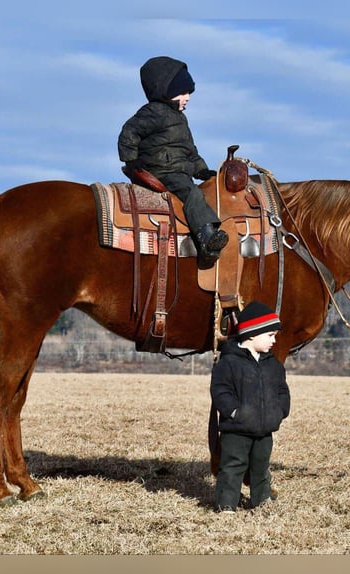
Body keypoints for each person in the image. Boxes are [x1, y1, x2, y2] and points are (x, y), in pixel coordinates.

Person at [118, 56, 229, 270]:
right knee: (192, 194)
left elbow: (189, 150)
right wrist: (131, 160)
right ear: (165, 91)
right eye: (183, 92)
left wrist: (202, 169)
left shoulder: (180, 118)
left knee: (201, 189)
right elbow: (129, 132)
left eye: (189, 93)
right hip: (162, 170)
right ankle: (207, 237)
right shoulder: (153, 112)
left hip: (178, 170)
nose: (187, 97)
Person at [210, 301, 290, 513]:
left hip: (265, 430)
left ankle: (262, 502)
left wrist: (280, 411)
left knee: (261, 467)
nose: (274, 340)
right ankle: (226, 504)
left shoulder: (274, 365)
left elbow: (283, 391)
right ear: (253, 334)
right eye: (270, 335)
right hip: (236, 429)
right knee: (232, 467)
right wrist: (235, 412)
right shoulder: (228, 363)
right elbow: (220, 391)